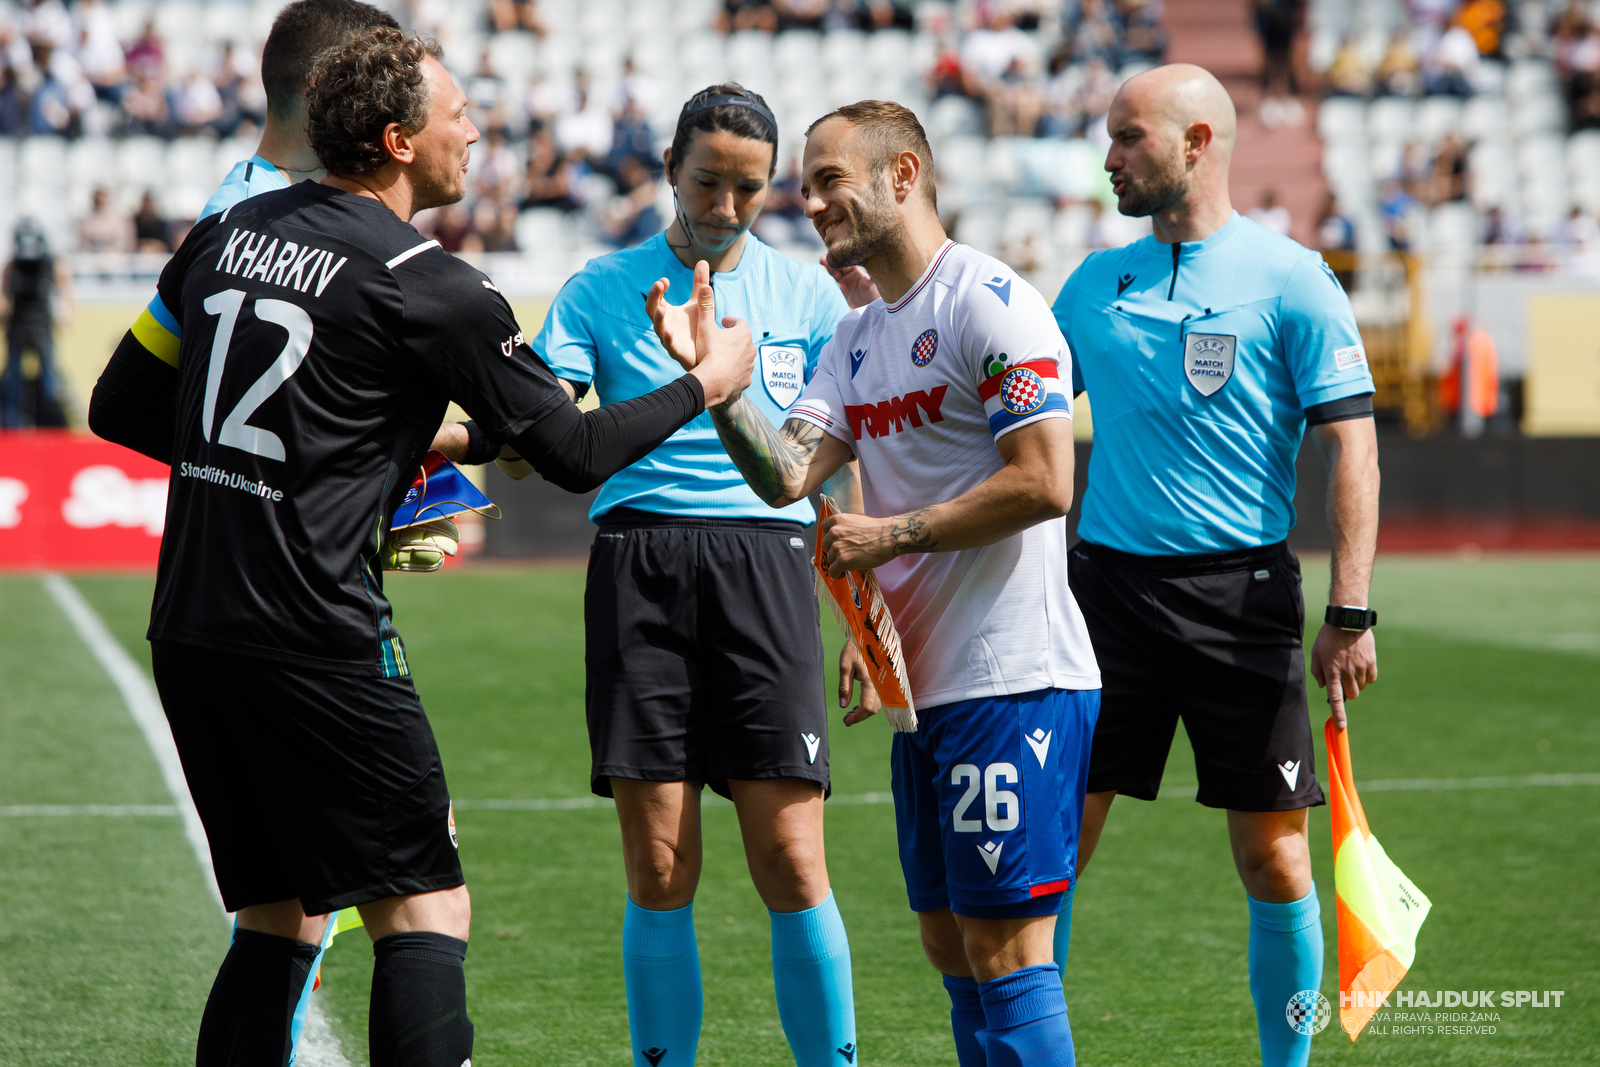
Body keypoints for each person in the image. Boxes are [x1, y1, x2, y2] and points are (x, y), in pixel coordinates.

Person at [85, 28, 755, 1066]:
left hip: (193, 627)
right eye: (457, 116)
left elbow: (122, 403)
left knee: (277, 915)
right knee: (425, 907)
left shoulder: (227, 229)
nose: (476, 131)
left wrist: (324, 467)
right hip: (314, 634)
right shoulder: (429, 282)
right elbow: (572, 451)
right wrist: (704, 386)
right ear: (399, 140)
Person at [662, 99, 1101, 1067]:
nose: (810, 202)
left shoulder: (990, 302)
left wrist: (889, 533)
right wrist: (720, 392)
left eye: (829, 180)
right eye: (807, 185)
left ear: (902, 176)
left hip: (1013, 675)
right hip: (923, 697)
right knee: (950, 944)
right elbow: (785, 472)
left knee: (1007, 949)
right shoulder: (857, 340)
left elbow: (1044, 480)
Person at [495, 83, 866, 1067]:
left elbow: (840, 462)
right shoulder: (599, 287)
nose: (727, 207)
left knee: (791, 858)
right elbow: (535, 432)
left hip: (769, 565)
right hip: (639, 564)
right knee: (660, 863)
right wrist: (465, 444)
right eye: (709, 181)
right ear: (668, 168)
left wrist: (870, 623)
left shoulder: (808, 295)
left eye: (749, 189)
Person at [1050, 65, 1380, 1067]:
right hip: (1102, 596)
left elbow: (1352, 447)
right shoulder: (1087, 285)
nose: (1108, 157)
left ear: (1196, 141)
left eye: (1127, 138)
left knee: (1274, 855)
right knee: (1051, 852)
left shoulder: (1291, 279)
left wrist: (1350, 609)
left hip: (1243, 600)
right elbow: (1010, 426)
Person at [199, 0, 400, 221]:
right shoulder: (240, 221)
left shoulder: (298, 204)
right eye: (371, 86)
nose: (387, 108)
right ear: (322, 85)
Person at [1, 219, 74, 427]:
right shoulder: (12, 265)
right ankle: (12, 424)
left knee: (49, 379)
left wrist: (67, 311)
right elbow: (5, 296)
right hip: (18, 324)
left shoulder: (53, 263)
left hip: (42, 324)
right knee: (12, 379)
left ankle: (50, 422)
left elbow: (66, 292)